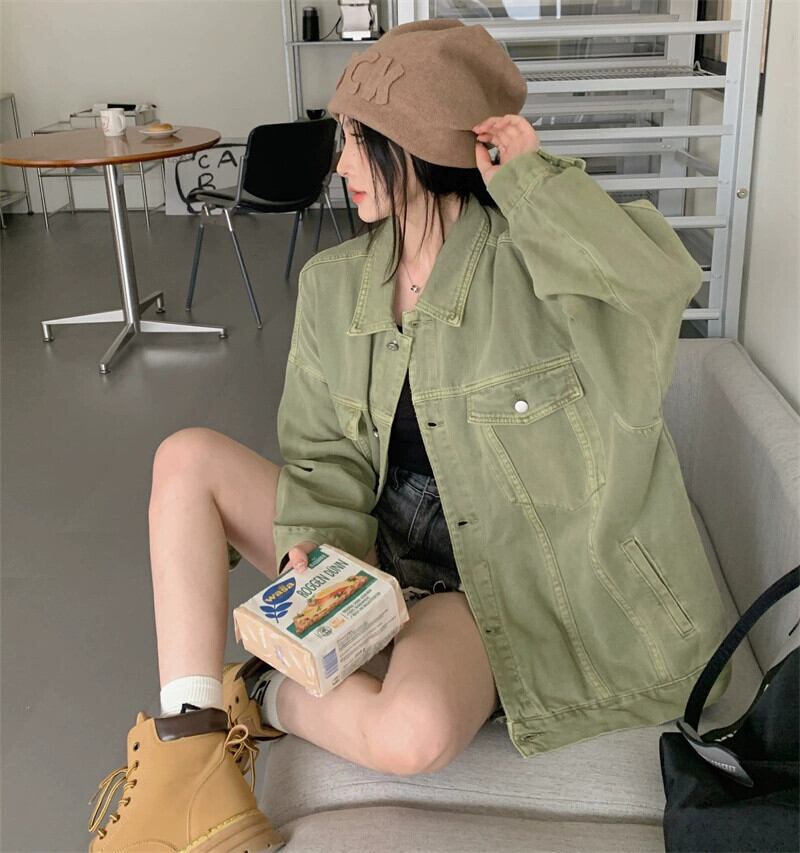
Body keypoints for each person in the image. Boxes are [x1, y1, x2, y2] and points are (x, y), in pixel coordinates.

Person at [87, 18, 731, 850]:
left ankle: (262, 691)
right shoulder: (334, 284)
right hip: (367, 555)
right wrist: (311, 548)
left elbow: (656, 283)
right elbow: (323, 453)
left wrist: (535, 186)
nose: (340, 164)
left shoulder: (538, 272)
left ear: (420, 145)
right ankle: (191, 750)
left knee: (413, 733)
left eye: (361, 141)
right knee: (184, 459)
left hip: (478, 586)